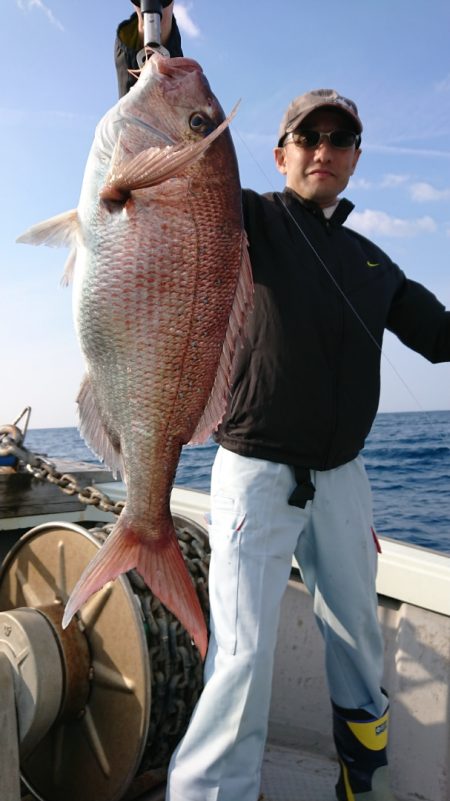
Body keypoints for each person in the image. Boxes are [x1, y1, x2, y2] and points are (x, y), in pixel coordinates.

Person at [115, 7, 450, 800]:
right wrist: (155, 42)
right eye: (309, 137)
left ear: (357, 158)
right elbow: (175, 140)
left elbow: (441, 337)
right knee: (242, 656)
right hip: (255, 474)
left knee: (359, 647)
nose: (323, 152)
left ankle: (359, 778)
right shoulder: (248, 215)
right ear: (281, 152)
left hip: (344, 480)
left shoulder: (377, 263)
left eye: (339, 141)